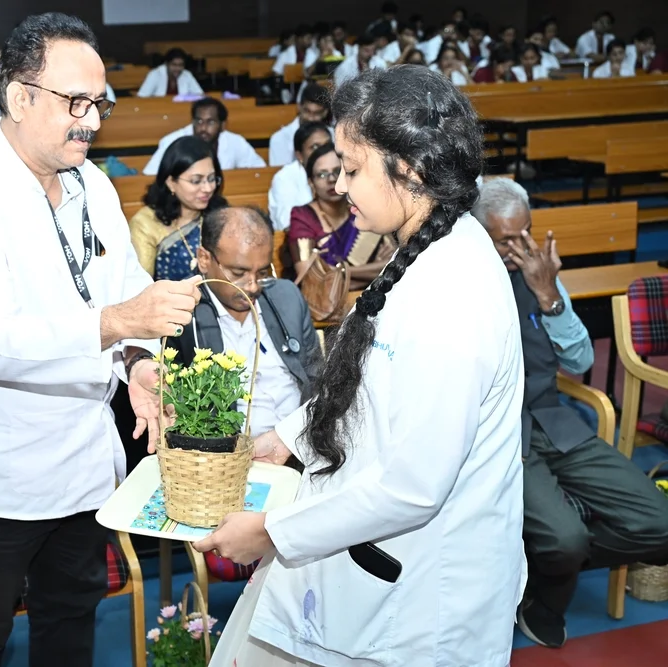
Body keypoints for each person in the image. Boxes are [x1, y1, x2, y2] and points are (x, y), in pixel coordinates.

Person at [193, 65, 527, 667]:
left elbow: (414, 486)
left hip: (422, 596)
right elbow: (370, 379)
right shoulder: (424, 245)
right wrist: (286, 437)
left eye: (352, 168)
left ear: (410, 168)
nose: (341, 185)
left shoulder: (454, 293)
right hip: (367, 558)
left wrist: (268, 532)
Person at [0, 13, 201, 666]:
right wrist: (118, 325)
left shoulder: (92, 185)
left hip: (83, 461)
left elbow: (124, 287)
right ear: (20, 98)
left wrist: (139, 365)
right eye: (77, 102)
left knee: (71, 619)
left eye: (99, 103)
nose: (92, 120)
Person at [472, 178, 668, 648]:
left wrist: (549, 297)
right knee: (565, 539)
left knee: (659, 523)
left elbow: (579, 360)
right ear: (476, 234)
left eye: (526, 234)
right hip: (500, 432)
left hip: (553, 420)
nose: (520, 249)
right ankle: (546, 584)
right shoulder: (462, 282)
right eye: (505, 240)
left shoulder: (539, 276)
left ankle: (537, 566)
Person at [165, 206, 321, 437]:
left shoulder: (286, 297)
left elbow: (317, 378)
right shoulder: (181, 312)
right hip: (228, 450)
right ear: (204, 259)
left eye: (262, 272)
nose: (253, 286)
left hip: (300, 439)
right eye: (238, 273)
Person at [287, 143, 394, 288]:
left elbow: (393, 265)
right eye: (322, 174)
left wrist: (339, 272)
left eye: (338, 171)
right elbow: (309, 277)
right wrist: (372, 273)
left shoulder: (364, 209)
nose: (331, 179)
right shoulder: (303, 217)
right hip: (327, 301)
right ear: (311, 182)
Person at [129, 136, 227, 281]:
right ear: (171, 182)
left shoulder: (220, 215)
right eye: (196, 181)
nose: (207, 188)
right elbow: (141, 285)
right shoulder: (146, 224)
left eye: (212, 179)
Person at [143, 97, 265, 175]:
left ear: (223, 125)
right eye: (199, 121)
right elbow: (150, 174)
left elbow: (259, 170)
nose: (203, 128)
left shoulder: (235, 141)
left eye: (210, 122)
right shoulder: (173, 141)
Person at [268, 121, 332, 232]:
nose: (323, 152)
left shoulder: (340, 171)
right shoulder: (284, 178)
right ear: (299, 155)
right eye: (315, 147)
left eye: (327, 145)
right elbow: (288, 225)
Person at [268, 83, 331, 167]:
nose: (311, 118)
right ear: (299, 107)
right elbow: (281, 172)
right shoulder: (280, 139)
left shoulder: (334, 136)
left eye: (317, 113)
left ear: (325, 112)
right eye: (307, 111)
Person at [137, 47, 203, 97]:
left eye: (181, 65)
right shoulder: (155, 74)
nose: (177, 68)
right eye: (174, 65)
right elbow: (141, 97)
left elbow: (200, 95)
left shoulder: (187, 74)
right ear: (166, 64)